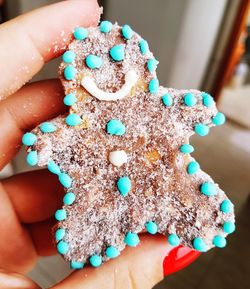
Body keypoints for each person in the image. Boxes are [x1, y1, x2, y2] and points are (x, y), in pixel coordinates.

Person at [0, 1, 170, 288]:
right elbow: (51, 138)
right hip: (92, 194)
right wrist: (44, 141)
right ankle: (86, 238)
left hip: (159, 178)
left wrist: (198, 108)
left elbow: (178, 109)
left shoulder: (154, 110)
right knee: (87, 218)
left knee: (179, 188)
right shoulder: (78, 124)